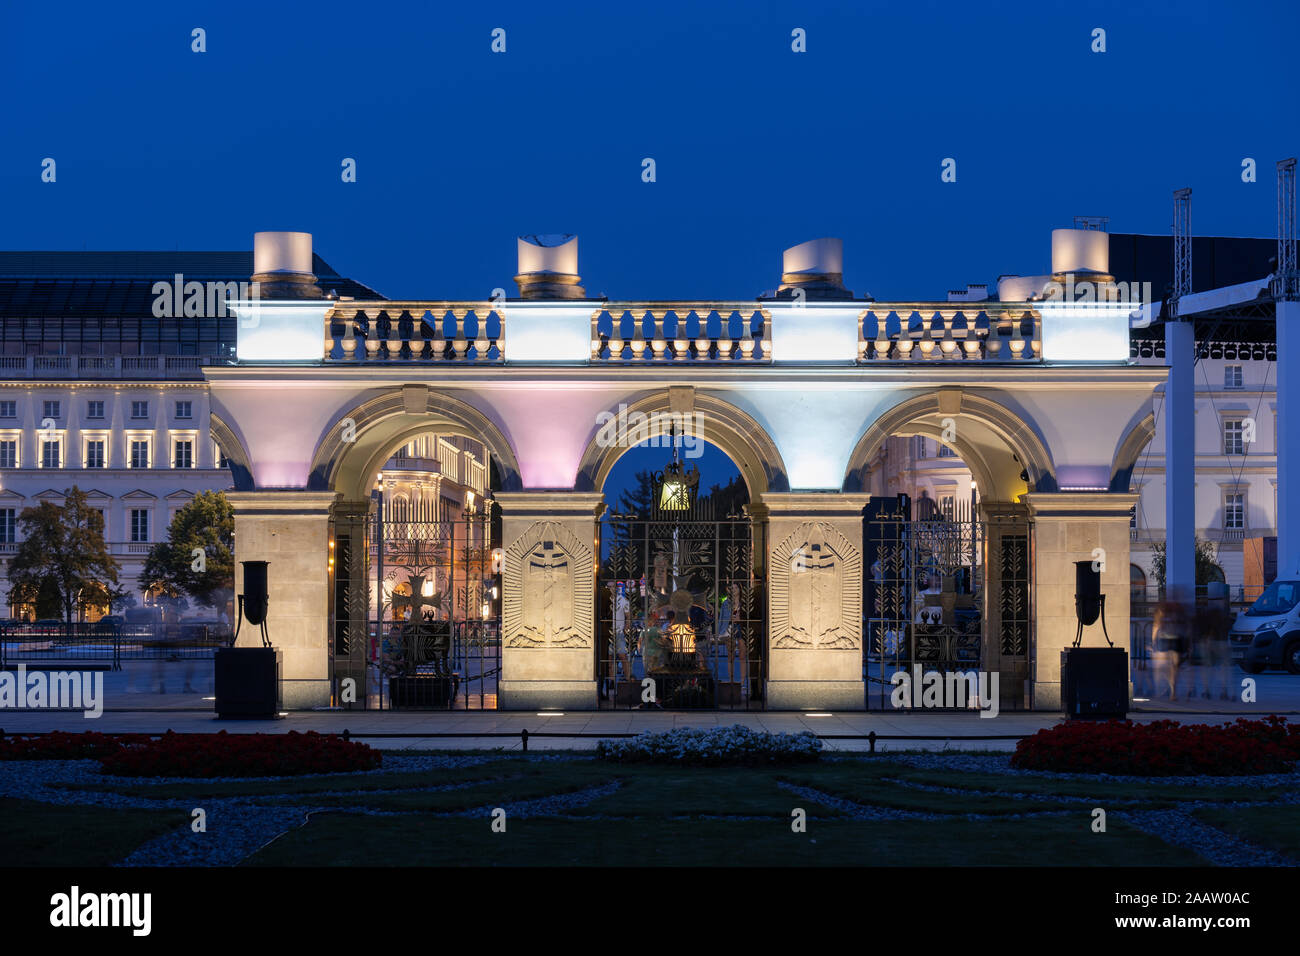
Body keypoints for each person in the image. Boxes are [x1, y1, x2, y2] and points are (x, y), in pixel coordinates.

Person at [1152, 601, 1186, 701]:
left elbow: (1156, 626)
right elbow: (1185, 627)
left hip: (1165, 640)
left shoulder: (1162, 611)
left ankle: (1169, 690)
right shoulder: (1179, 611)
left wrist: (1153, 641)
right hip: (1176, 640)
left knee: (1165, 667)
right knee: (1174, 668)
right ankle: (1173, 691)